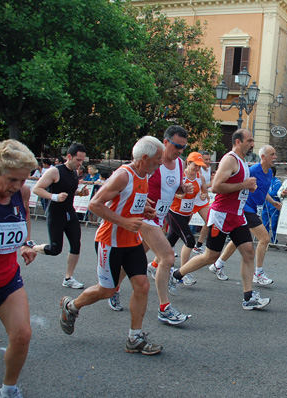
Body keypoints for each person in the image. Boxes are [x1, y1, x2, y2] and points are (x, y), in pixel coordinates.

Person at [59, 136, 164, 355]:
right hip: (110, 242)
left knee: (143, 286)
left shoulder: (144, 174)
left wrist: (142, 209)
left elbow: (126, 202)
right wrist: (125, 221)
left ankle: (134, 337)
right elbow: (95, 204)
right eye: (158, 159)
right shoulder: (123, 175)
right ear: (144, 158)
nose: (161, 163)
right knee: (107, 291)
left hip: (132, 242)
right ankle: (71, 306)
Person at [170, 129, 271, 310]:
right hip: (222, 215)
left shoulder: (243, 161)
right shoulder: (230, 159)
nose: (252, 144)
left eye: (253, 141)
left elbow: (237, 186)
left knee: (248, 252)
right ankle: (176, 275)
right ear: (238, 142)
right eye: (249, 140)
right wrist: (243, 185)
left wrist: (247, 188)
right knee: (210, 256)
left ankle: (248, 297)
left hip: (237, 215)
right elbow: (216, 187)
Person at [0, 139, 39, 398]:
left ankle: (8, 389)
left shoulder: (22, 193)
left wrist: (26, 244)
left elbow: (22, 220)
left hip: (6, 281)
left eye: (23, 180)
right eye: (12, 180)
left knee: (22, 335)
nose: (17, 187)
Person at [120, 125, 192, 325]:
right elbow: (133, 180)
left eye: (183, 147)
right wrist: (141, 201)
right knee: (167, 257)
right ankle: (164, 308)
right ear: (166, 142)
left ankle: (112, 288)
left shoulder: (179, 163)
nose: (180, 151)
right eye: (177, 146)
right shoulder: (154, 161)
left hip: (159, 219)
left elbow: (173, 187)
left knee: (135, 255)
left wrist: (182, 188)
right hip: (145, 217)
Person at [209, 145, 282, 285]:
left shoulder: (269, 173)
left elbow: (262, 191)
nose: (275, 157)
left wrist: (273, 202)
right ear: (263, 157)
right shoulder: (252, 170)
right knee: (265, 238)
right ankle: (258, 273)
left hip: (254, 209)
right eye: (272, 154)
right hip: (244, 208)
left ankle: (218, 264)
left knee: (239, 241)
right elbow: (238, 183)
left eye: (275, 154)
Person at [32, 143, 89, 289]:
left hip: (70, 212)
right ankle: (33, 247)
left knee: (76, 244)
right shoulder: (54, 171)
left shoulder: (74, 173)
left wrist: (80, 193)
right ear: (69, 156)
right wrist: (54, 196)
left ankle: (68, 278)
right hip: (56, 214)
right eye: (78, 160)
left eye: (82, 160)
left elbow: (69, 191)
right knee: (55, 250)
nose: (80, 163)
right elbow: (37, 189)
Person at [158, 152, 208, 285]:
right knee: (190, 241)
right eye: (195, 165)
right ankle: (183, 273)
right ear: (188, 163)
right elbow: (172, 193)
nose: (197, 169)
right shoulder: (180, 176)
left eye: (199, 166)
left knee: (169, 243)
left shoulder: (200, 178)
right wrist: (182, 194)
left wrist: (203, 196)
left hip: (186, 214)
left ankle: (153, 265)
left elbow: (204, 191)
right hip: (174, 213)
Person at [192, 151, 213, 255]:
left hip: (200, 201)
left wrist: (205, 195)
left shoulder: (208, 169)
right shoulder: (195, 170)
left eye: (209, 159)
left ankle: (198, 245)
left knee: (210, 221)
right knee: (181, 225)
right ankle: (171, 245)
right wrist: (212, 184)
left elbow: (204, 187)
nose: (208, 162)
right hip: (190, 199)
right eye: (206, 160)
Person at [262, 166, 282, 244]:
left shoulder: (277, 182)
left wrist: (265, 193)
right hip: (265, 205)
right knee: (264, 223)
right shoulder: (264, 180)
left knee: (274, 224)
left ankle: (274, 240)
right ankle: (265, 239)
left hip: (274, 205)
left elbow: (274, 193)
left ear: (272, 173)